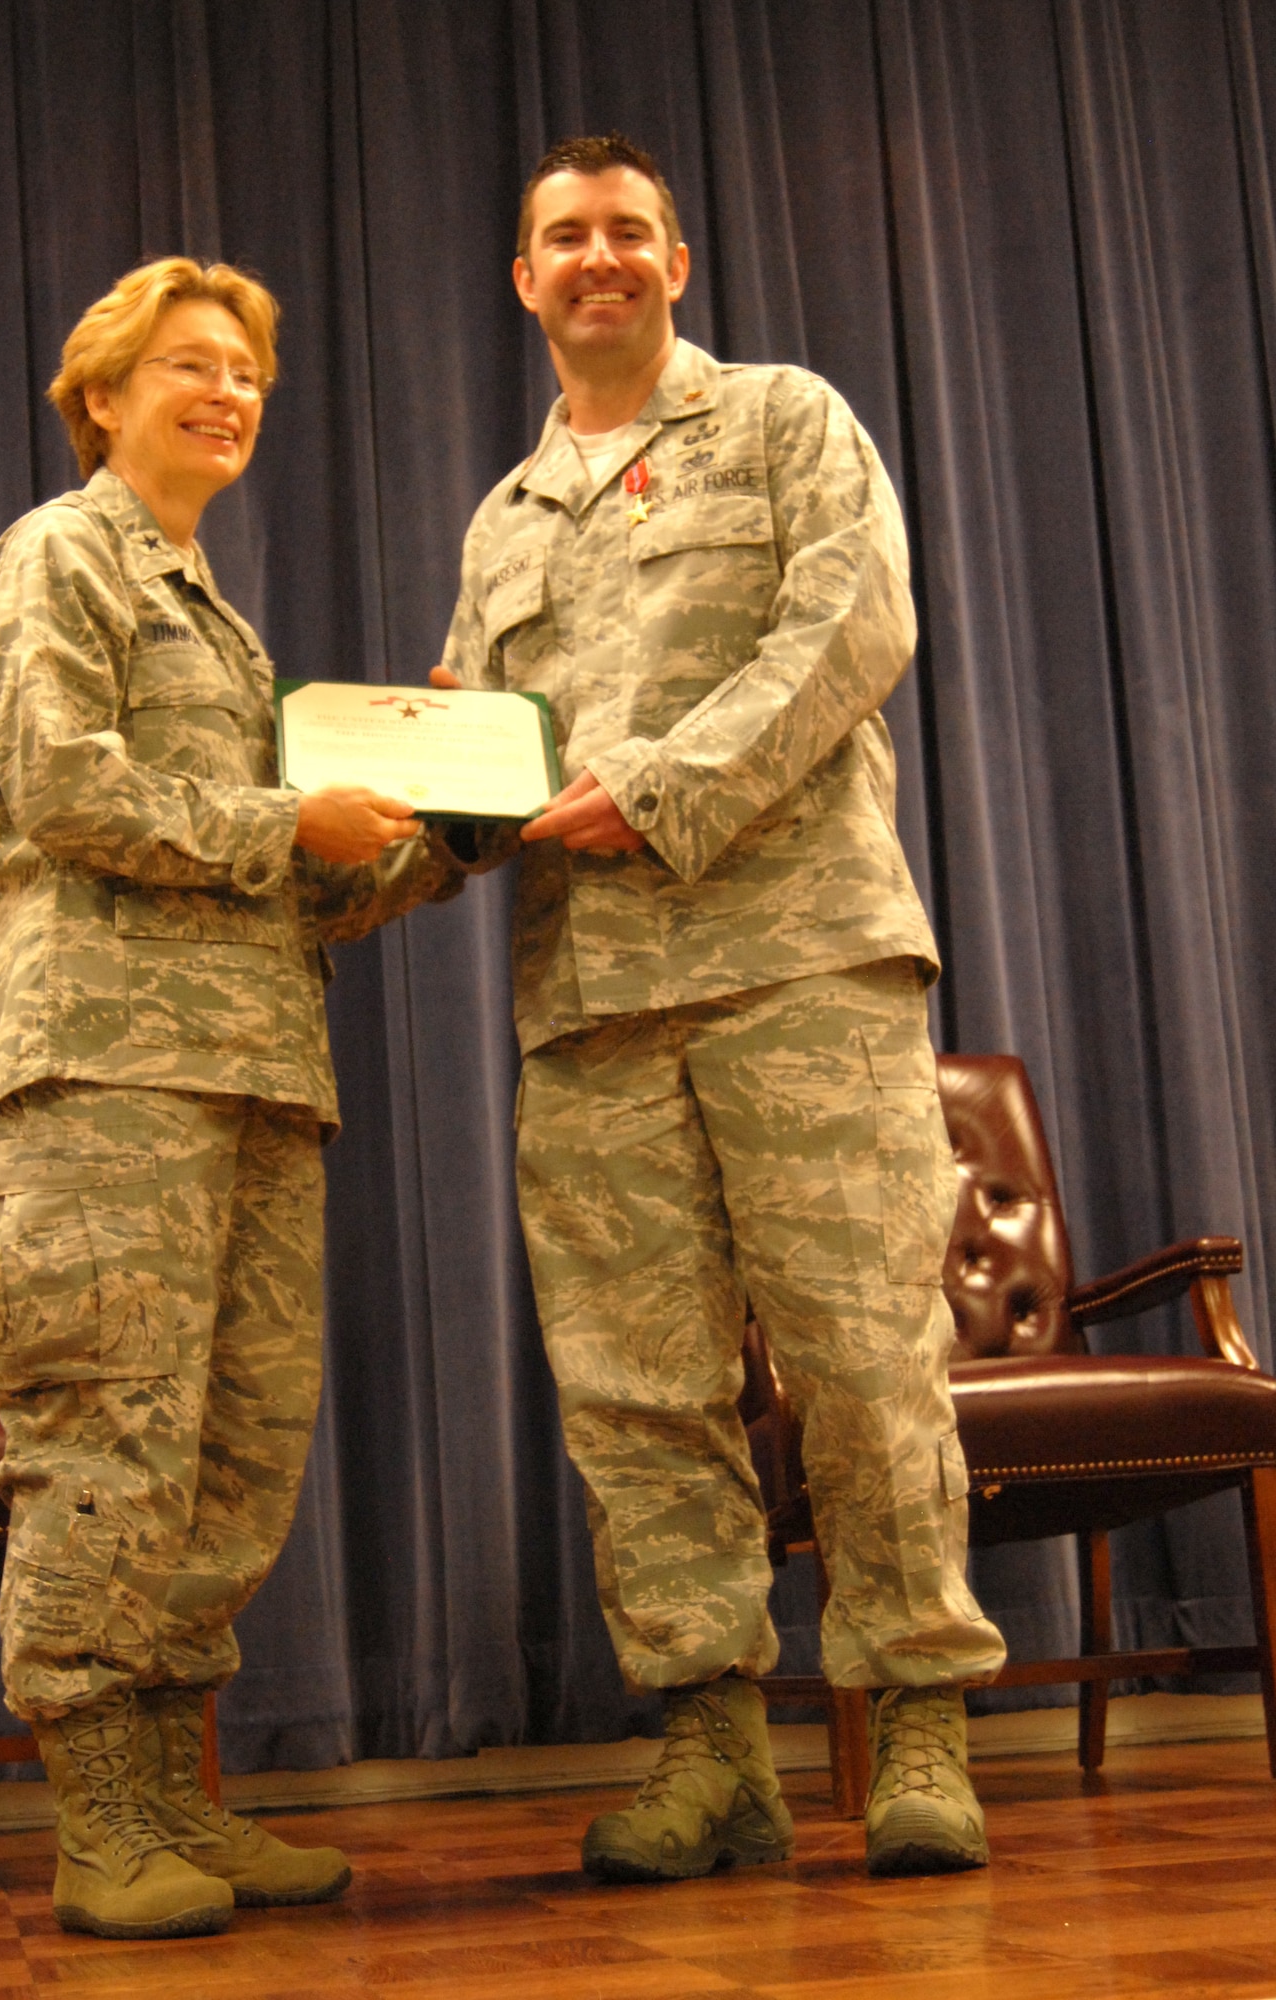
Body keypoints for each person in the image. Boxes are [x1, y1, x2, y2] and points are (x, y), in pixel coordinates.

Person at [431, 135, 1007, 1882]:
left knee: (859, 1355)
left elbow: (854, 626)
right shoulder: (503, 521)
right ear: (523, 283)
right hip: (593, 1004)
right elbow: (483, 764)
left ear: (676, 259)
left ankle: (913, 1727)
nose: (595, 260)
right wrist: (398, 794)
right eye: (561, 240)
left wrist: (662, 784)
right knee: (635, 1394)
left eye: (626, 232)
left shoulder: (785, 421)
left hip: (796, 964)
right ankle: (713, 1752)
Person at [0, 257, 460, 1939]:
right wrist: (280, 824)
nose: (226, 391)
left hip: (249, 1080)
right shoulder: (61, 555)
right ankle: (100, 1825)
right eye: (187, 364)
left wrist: (440, 824)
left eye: (246, 370)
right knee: (109, 1440)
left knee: (230, 1461)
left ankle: (183, 1799)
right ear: (102, 395)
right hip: (99, 1077)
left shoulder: (218, 623)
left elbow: (277, 888)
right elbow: (64, 787)